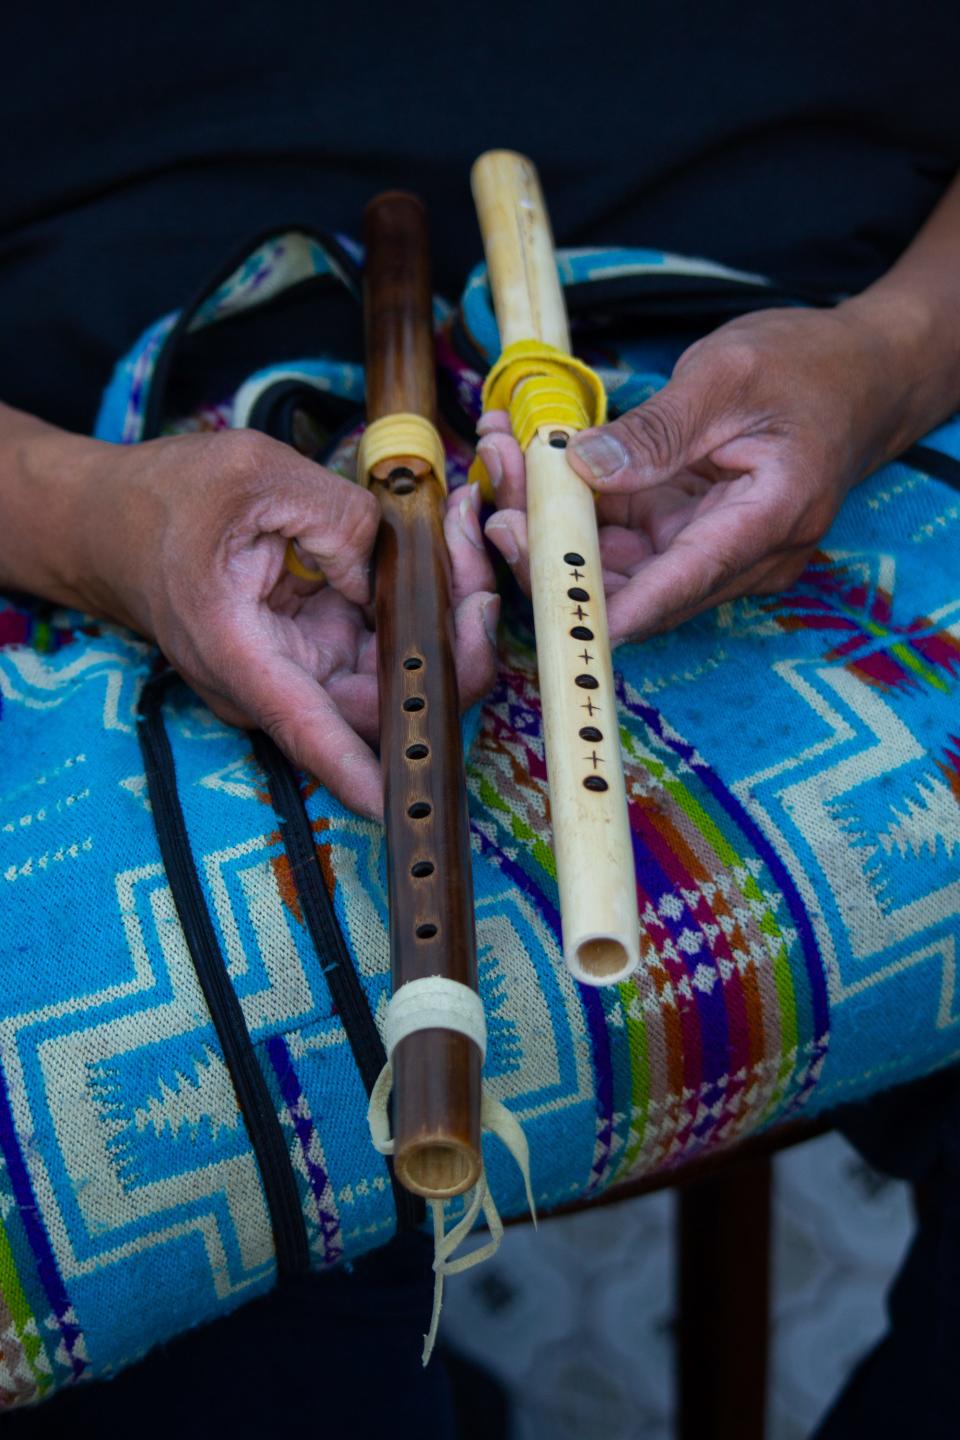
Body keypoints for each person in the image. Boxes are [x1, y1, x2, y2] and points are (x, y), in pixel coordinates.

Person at [1, 3, 959, 1435]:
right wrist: (87, 519)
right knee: (159, 1188)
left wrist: (889, 356)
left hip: (802, 360)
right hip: (115, 450)